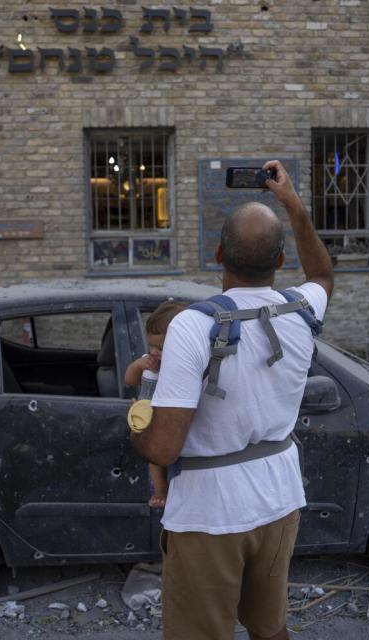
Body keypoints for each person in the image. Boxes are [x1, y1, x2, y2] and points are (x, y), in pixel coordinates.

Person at [131, 159, 334, 640]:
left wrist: (137, 425)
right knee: (270, 630)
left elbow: (162, 449)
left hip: (209, 513)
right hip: (280, 499)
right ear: (281, 260)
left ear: (218, 253)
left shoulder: (193, 325)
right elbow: (323, 273)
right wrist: (292, 204)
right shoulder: (303, 308)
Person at [124, 300, 187, 508]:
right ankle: (160, 490)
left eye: (160, 347)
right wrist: (139, 365)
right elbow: (130, 380)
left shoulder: (182, 366)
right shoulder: (149, 362)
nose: (154, 352)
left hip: (167, 416)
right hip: (147, 416)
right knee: (153, 457)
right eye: (151, 345)